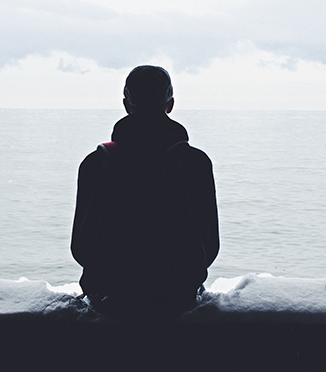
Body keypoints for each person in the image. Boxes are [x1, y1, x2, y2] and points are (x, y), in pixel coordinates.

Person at [71, 65, 219, 320]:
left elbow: (80, 248)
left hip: (110, 297)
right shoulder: (196, 162)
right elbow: (210, 247)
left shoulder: (96, 163)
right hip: (176, 297)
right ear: (170, 104)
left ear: (127, 105)